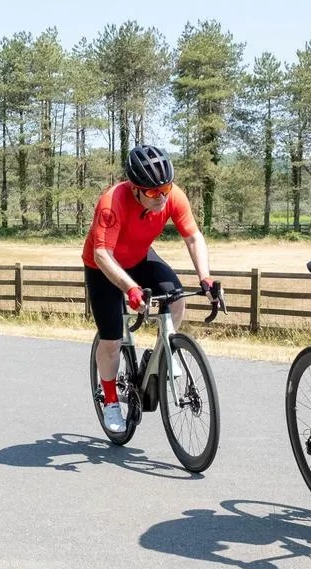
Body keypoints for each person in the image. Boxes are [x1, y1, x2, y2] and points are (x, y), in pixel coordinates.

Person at [82, 144, 219, 433]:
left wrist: (205, 278)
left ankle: (163, 351)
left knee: (177, 296)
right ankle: (109, 401)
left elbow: (193, 237)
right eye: (153, 193)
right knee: (112, 340)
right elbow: (102, 255)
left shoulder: (172, 195)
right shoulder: (112, 203)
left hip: (140, 257)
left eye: (166, 189)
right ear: (134, 188)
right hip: (104, 266)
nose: (162, 197)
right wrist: (131, 289)